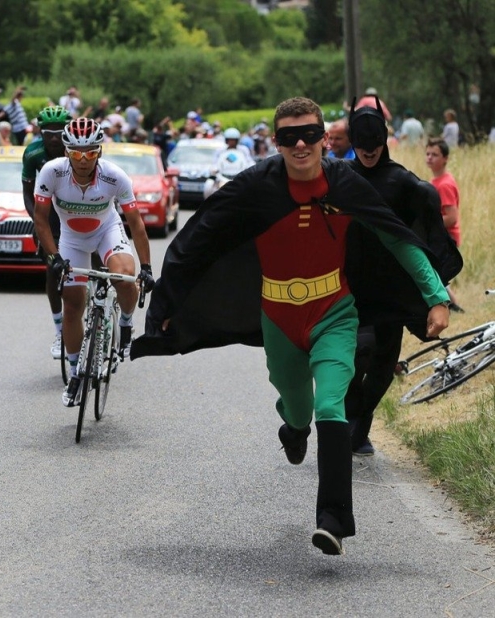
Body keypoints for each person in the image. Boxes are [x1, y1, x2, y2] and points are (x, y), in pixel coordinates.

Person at [130, 97, 451, 556]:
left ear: (325, 137)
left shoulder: (346, 182)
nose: (300, 144)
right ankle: (292, 427)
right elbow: (197, 240)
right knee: (298, 407)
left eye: (309, 134)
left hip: (335, 314)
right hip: (278, 318)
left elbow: (396, 237)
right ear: (276, 143)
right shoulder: (256, 186)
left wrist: (436, 297)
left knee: (331, 404)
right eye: (287, 137)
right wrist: (164, 304)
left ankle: (334, 520)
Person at [344, 102, 463, 456]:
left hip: (392, 290)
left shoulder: (404, 182)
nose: (368, 149)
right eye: (361, 141)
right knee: (355, 355)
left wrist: (433, 294)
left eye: (375, 140)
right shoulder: (338, 177)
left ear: (385, 139)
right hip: (350, 287)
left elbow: (424, 231)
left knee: (383, 364)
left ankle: (360, 424)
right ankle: (350, 417)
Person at [33, 118, 155, 407]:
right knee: (73, 303)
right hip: (72, 238)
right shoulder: (51, 173)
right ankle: (75, 373)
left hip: (107, 231)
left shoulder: (115, 176)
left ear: (99, 151)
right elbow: (40, 219)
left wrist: (147, 268)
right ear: (66, 152)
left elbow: (136, 225)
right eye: (76, 153)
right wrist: (54, 258)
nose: (84, 159)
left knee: (125, 276)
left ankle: (125, 322)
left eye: (90, 152)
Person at [22, 106, 72, 359]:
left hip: (78, 209)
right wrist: (38, 223)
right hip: (48, 212)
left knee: (93, 264)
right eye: (48, 132)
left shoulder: (78, 148)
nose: (53, 138)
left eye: (58, 132)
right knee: (53, 270)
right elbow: (27, 196)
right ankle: (59, 329)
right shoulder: (33, 153)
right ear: (39, 132)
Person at [426, 137, 463, 312]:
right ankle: (453, 307)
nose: (430, 158)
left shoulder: (445, 184)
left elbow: (452, 217)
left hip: (447, 238)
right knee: (437, 274)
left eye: (435, 154)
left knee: (437, 274)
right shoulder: (436, 181)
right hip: (441, 237)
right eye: (427, 154)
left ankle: (452, 308)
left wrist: (429, 223)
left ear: (445, 158)